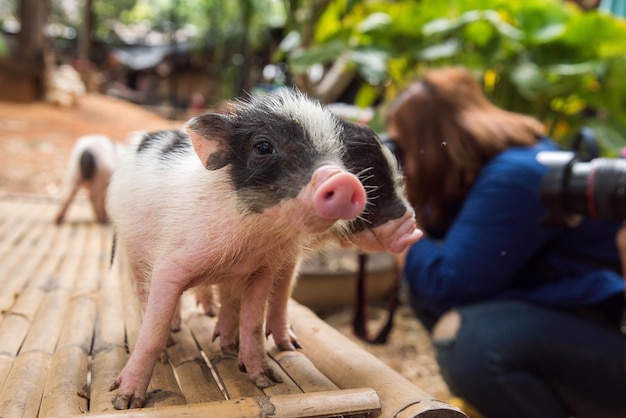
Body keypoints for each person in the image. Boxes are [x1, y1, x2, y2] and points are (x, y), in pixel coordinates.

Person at [385, 67, 626, 418]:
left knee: (470, 342)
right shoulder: (506, 163)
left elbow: (447, 286)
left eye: (402, 148)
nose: (402, 162)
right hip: (590, 325)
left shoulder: (514, 177)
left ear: (433, 142)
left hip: (609, 342)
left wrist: (395, 222)